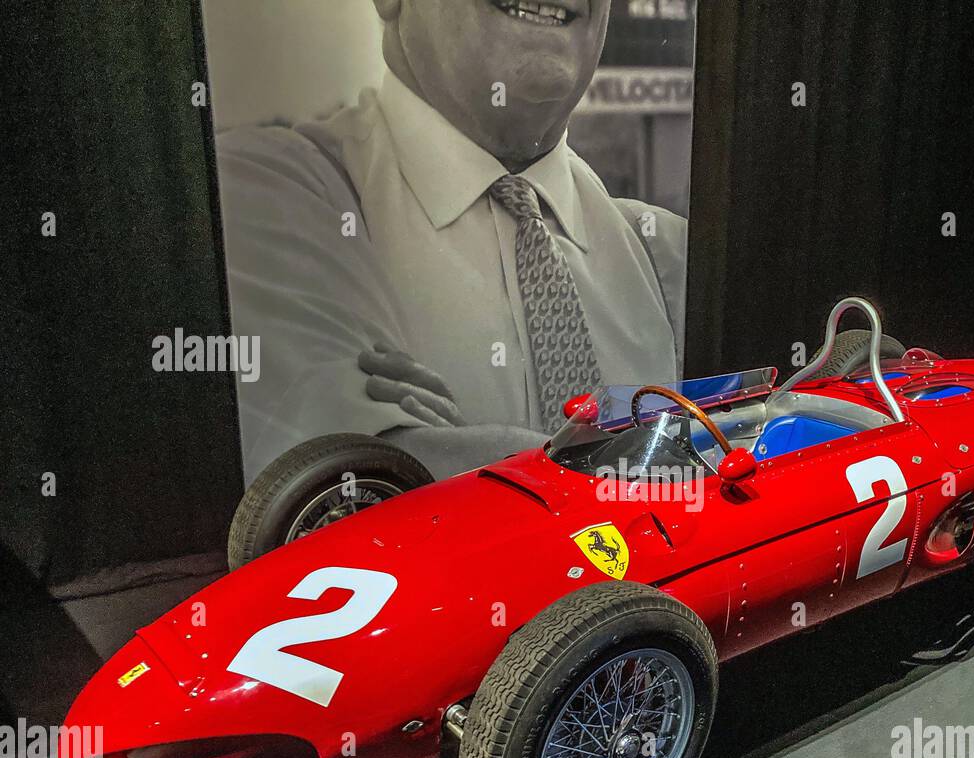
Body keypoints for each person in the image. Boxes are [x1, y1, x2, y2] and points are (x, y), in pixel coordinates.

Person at [217, 0, 687, 480]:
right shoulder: (260, 195)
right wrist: (661, 465)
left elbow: (406, 485)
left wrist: (467, 462)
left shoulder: (673, 254)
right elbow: (344, 491)